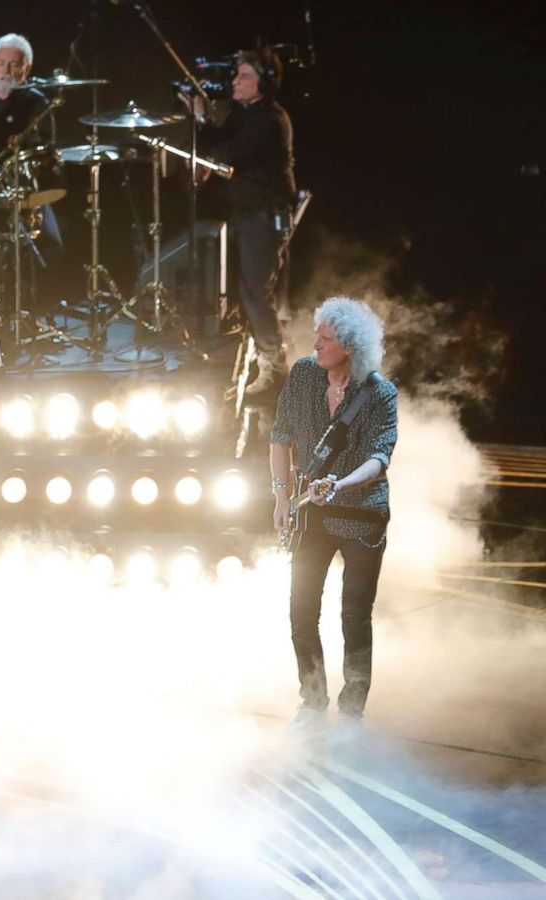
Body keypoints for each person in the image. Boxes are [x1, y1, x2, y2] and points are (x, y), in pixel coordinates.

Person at [269, 297, 397, 733]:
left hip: (362, 516)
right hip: (313, 517)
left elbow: (379, 459)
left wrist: (338, 486)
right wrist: (282, 496)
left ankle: (351, 714)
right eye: (317, 336)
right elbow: (280, 436)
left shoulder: (379, 393)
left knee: (354, 616)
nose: (315, 344)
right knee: (301, 610)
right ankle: (312, 700)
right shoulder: (305, 374)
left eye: (325, 339)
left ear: (349, 345)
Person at [186, 48, 297, 394]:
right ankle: (256, 359)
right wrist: (200, 119)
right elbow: (217, 141)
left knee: (255, 294)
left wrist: (205, 125)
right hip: (244, 215)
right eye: (236, 74)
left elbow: (230, 151)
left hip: (264, 217)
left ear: (264, 82)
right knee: (243, 292)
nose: (236, 81)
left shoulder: (270, 120)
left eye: (245, 75)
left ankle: (274, 370)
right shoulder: (243, 114)